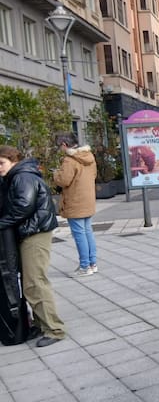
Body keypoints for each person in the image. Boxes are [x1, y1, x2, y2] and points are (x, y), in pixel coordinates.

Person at [0, 146, 64, 348]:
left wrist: (1, 223)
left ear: (13, 160)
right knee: (31, 282)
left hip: (35, 233)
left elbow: (23, 206)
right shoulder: (19, 175)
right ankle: (40, 324)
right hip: (31, 231)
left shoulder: (22, 177)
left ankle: (54, 329)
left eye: (1, 163)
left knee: (35, 282)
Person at [53, 132, 98, 277]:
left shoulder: (69, 160)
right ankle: (93, 263)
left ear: (64, 145)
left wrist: (56, 174)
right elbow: (94, 175)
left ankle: (85, 266)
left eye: (59, 146)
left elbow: (63, 181)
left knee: (79, 234)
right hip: (88, 199)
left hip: (75, 201)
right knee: (87, 231)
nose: (60, 149)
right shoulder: (89, 156)